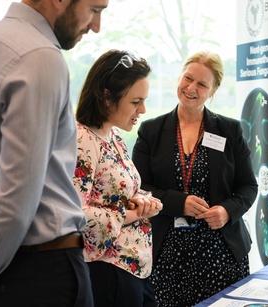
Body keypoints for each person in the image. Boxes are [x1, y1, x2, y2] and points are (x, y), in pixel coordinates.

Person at [0, 0, 109, 306]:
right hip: (46, 276)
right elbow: (18, 197)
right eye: (95, 9)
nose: (96, 26)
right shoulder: (40, 57)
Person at [132, 50, 259, 306]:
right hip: (167, 255)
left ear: (213, 91)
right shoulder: (151, 131)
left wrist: (226, 211)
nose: (191, 88)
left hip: (221, 253)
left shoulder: (229, 130)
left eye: (202, 84)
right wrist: (180, 203)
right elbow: (139, 188)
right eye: (188, 78)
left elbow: (248, 186)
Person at [73, 49, 163, 307]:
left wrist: (142, 201)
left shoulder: (113, 136)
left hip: (134, 269)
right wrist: (132, 214)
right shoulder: (82, 141)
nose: (143, 109)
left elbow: (113, 195)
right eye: (136, 102)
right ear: (106, 97)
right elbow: (74, 214)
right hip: (109, 272)